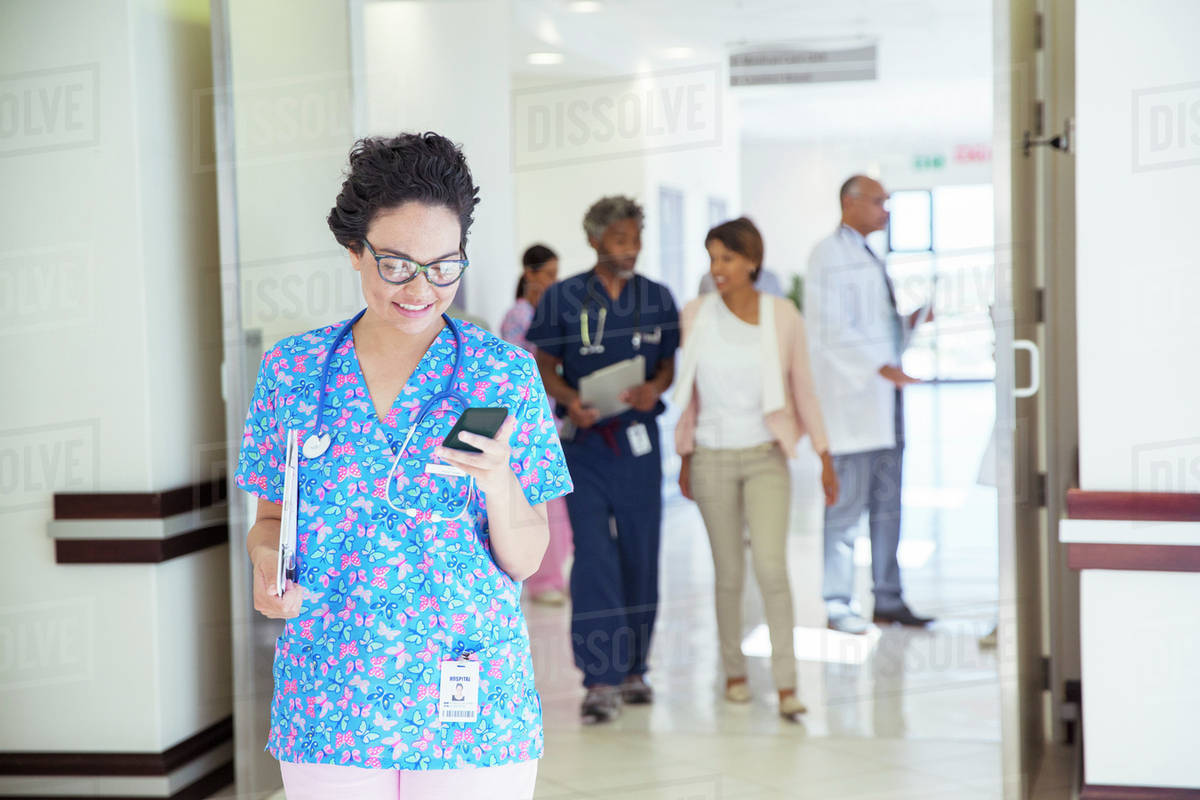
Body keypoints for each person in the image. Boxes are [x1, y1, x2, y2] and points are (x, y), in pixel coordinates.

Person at [235, 132, 572, 799]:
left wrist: (499, 479)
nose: (422, 287)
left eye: (445, 265)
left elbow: (529, 556)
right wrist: (267, 565)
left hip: (469, 697)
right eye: (397, 264)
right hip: (331, 696)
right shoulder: (294, 372)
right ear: (355, 251)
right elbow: (271, 519)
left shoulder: (499, 374)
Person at [674, 217, 839, 721]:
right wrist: (684, 458)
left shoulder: (782, 314)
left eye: (726, 258)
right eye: (712, 258)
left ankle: (788, 684)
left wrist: (826, 456)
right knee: (728, 574)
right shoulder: (695, 314)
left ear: (751, 261)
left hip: (766, 455)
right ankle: (735, 672)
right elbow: (690, 394)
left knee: (771, 567)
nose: (716, 268)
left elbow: (803, 387)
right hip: (711, 458)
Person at [526, 195, 680, 724]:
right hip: (584, 448)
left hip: (638, 445)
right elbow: (541, 363)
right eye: (620, 240)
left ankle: (635, 668)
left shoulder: (657, 298)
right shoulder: (563, 299)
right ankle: (599, 679)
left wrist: (651, 389)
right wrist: (569, 400)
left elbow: (667, 368)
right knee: (593, 559)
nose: (631, 249)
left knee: (641, 556)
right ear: (593, 240)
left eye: (636, 239)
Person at [806, 174, 935, 635]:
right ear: (850, 202)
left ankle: (888, 599)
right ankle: (838, 603)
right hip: (851, 407)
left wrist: (912, 321)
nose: (886, 210)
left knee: (887, 507)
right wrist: (881, 368)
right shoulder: (827, 256)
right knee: (844, 512)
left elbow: (880, 332)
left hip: (885, 403)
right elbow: (830, 331)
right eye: (879, 201)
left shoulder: (868, 255)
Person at [499, 244, 574, 606]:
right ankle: (543, 581)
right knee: (542, 501)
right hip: (529, 422)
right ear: (530, 274)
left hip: (550, 418)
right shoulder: (518, 315)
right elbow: (519, 374)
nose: (553, 281)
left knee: (556, 503)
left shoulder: (546, 312)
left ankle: (555, 576)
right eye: (548, 273)